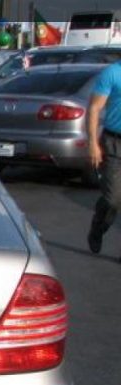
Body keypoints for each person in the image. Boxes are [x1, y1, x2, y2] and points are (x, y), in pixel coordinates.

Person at [87, 61, 121, 257]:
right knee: (112, 199)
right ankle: (98, 227)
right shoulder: (113, 72)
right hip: (114, 142)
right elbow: (94, 108)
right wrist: (93, 143)